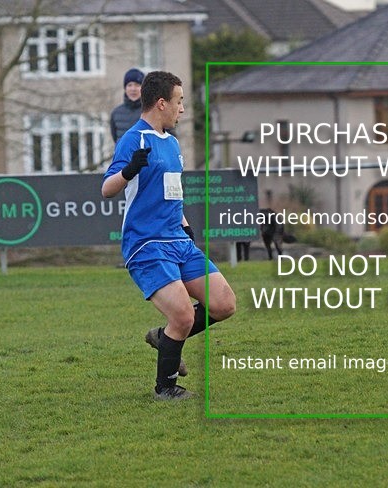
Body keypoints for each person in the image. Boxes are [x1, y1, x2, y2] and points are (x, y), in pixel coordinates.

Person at [102, 71, 236, 400]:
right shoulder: (134, 139)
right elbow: (107, 189)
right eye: (179, 102)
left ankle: (166, 338)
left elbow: (171, 191)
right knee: (183, 314)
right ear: (161, 103)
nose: (182, 109)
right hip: (146, 244)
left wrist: (187, 226)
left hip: (178, 240)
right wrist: (128, 170)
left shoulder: (173, 143)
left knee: (224, 304)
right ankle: (166, 388)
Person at [110, 68, 144, 143]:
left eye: (137, 85)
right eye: (129, 85)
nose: (133, 89)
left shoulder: (151, 112)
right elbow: (116, 139)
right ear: (125, 88)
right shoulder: (116, 113)